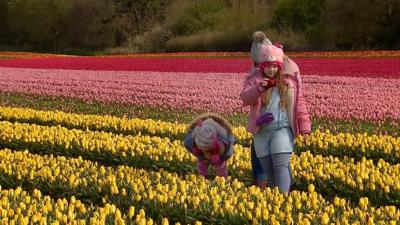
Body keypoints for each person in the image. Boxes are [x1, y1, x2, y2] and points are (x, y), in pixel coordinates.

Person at [240, 38, 311, 192]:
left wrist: (304, 124)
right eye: (268, 66)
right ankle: (277, 201)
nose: (272, 70)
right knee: (270, 171)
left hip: (282, 128)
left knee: (280, 165)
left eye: (275, 66)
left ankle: (283, 199)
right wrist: (259, 88)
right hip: (261, 131)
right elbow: (245, 98)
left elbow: (299, 103)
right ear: (262, 66)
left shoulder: (288, 82)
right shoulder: (255, 80)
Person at [183, 113, 235, 178]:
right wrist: (202, 157)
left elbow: (227, 153)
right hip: (200, 142)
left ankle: (223, 179)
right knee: (202, 163)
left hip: (218, 147)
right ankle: (201, 178)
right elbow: (188, 145)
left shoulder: (225, 141)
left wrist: (218, 158)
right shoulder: (191, 139)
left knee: (220, 164)